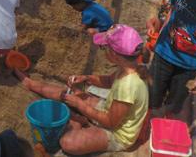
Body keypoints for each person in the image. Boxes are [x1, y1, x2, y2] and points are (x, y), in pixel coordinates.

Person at [15, 24, 149, 154]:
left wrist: (79, 104)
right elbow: (108, 81)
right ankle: (31, 84)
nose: (102, 51)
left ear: (114, 54)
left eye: (104, 48)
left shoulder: (128, 86)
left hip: (117, 134)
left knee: (68, 142)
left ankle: (79, 122)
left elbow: (110, 122)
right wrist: (86, 78)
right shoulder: (129, 67)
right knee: (70, 93)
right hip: (109, 110)